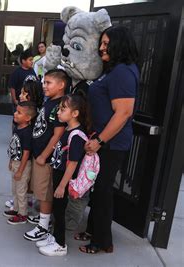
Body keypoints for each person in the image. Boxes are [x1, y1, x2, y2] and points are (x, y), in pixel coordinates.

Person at [78, 25, 139, 254]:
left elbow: (123, 113)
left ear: (119, 45)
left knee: (103, 191)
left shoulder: (123, 72)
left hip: (112, 144)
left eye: (106, 44)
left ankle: (102, 242)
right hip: (104, 141)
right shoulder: (113, 70)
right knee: (98, 189)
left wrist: (100, 141)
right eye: (101, 43)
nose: (101, 48)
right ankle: (93, 231)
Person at [37, 94, 89, 256]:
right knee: (56, 210)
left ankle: (60, 245)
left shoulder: (76, 135)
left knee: (60, 212)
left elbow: (73, 163)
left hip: (64, 180)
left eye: (63, 109)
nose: (58, 112)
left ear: (75, 113)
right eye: (59, 108)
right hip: (59, 174)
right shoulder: (68, 129)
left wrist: (61, 186)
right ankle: (53, 237)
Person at [23, 69, 68, 242]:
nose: (44, 85)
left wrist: (44, 155)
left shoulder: (60, 105)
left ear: (61, 85)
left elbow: (58, 134)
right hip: (39, 154)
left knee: (45, 193)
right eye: (44, 82)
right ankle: (45, 217)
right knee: (40, 190)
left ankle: (43, 225)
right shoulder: (50, 101)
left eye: (48, 83)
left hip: (46, 158)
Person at [3, 101, 36, 224]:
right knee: (15, 189)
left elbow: (26, 153)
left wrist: (21, 170)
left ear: (27, 118)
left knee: (21, 191)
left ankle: (23, 214)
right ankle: (16, 209)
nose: (15, 114)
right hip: (15, 163)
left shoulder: (27, 132)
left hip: (23, 165)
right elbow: (13, 146)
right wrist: (11, 161)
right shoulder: (17, 128)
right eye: (16, 111)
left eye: (19, 112)